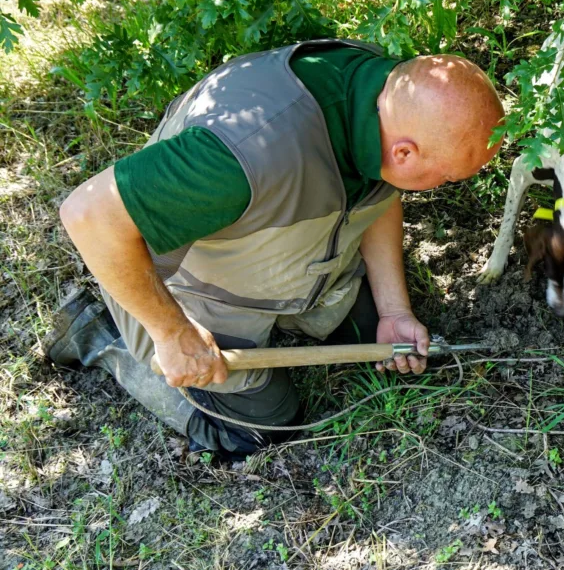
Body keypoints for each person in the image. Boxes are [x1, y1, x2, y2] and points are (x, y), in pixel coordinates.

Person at [44, 39, 505, 460]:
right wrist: (171, 333)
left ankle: (297, 309)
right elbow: (88, 215)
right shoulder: (242, 152)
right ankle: (99, 336)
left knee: (373, 340)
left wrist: (394, 310)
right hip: (197, 290)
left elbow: (379, 195)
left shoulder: (384, 101)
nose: (441, 187)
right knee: (263, 429)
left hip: (292, 259)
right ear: (405, 153)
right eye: (446, 177)